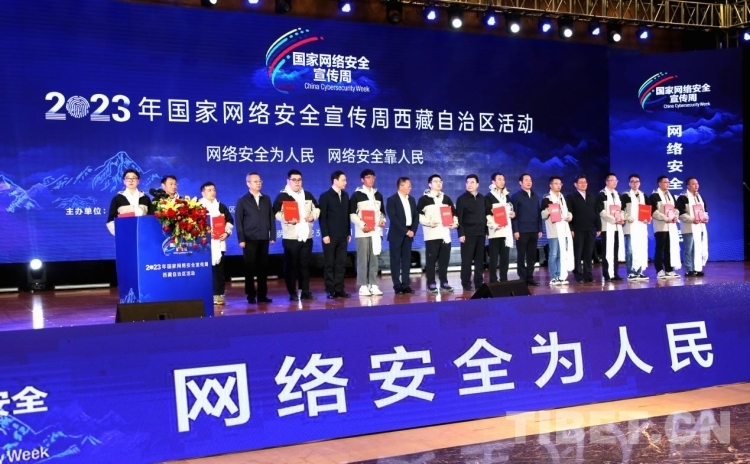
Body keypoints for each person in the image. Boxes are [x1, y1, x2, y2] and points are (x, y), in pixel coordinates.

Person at [274, 169, 320, 301]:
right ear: (288, 181)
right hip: (291, 237)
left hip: (307, 236)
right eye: (294, 180)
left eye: (299, 180)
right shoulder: (282, 196)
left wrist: (313, 216)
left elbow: (317, 208)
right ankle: (292, 293)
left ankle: (305, 291)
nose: (297, 182)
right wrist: (287, 219)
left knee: (305, 265)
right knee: (291, 266)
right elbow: (276, 213)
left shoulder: (308, 195)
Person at [235, 172, 275, 304]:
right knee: (250, 268)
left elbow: (271, 218)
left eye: (260, 181)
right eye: (255, 181)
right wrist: (241, 239)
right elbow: (239, 221)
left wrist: (272, 235)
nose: (259, 183)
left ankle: (262, 295)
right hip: (249, 239)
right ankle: (251, 295)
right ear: (248, 184)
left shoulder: (266, 199)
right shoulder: (242, 200)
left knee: (263, 268)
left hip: (263, 238)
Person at [417, 174, 458, 293]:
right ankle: (431, 283)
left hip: (445, 235)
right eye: (435, 181)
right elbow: (418, 215)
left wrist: (455, 223)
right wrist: (428, 222)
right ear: (430, 184)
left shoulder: (446, 198)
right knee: (431, 261)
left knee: (444, 261)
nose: (439, 183)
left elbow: (454, 214)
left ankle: (444, 282)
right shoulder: (424, 199)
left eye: (440, 181)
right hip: (431, 235)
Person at [349, 169, 386, 297]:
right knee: (363, 260)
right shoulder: (356, 195)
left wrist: (382, 221)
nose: (371, 179)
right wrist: (362, 225)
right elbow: (352, 214)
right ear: (362, 179)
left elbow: (382, 212)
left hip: (376, 232)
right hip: (363, 232)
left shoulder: (378, 195)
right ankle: (363, 286)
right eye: (368, 177)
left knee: (374, 259)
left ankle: (373, 284)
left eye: (373, 177)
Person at [319, 171, 352, 299]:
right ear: (335, 181)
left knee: (341, 264)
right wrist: (325, 234)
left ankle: (339, 289)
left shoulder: (345, 195)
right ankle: (330, 289)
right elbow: (323, 217)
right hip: (330, 236)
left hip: (343, 235)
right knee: (329, 264)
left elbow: (347, 216)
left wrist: (348, 232)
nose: (345, 183)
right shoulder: (325, 196)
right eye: (343, 180)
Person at [199, 182, 234, 305]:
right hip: (203, 245)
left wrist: (226, 233)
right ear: (203, 193)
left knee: (219, 271)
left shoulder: (221, 206)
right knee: (204, 270)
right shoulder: (197, 206)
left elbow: (230, 221)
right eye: (209, 190)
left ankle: (218, 295)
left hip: (219, 243)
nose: (213, 192)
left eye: (214, 190)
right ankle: (203, 294)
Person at [386, 177, 419, 295]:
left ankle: (406, 285)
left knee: (406, 260)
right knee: (395, 260)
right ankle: (397, 285)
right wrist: (405, 231)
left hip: (409, 234)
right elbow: (393, 218)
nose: (410, 187)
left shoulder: (412, 199)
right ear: (401, 186)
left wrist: (413, 230)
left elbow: (416, 216)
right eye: (408, 185)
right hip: (397, 234)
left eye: (410, 185)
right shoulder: (392, 200)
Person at [566, 174, 601, 283]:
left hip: (590, 229)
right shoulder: (570, 197)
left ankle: (588, 274)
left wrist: (598, 227)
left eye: (585, 182)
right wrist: (571, 228)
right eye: (580, 182)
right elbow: (569, 213)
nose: (583, 184)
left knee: (588, 253)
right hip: (577, 229)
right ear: (575, 184)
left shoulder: (592, 197)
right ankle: (578, 275)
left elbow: (596, 213)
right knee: (577, 253)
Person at [510, 173, 542, 286]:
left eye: (530, 180)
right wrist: (515, 230)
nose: (529, 182)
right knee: (521, 255)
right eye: (526, 180)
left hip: (534, 230)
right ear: (520, 182)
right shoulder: (515, 196)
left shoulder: (535, 195)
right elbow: (513, 215)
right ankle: (522, 278)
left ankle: (530, 277)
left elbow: (538, 213)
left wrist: (540, 229)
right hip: (522, 231)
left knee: (531, 256)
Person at [456, 174, 487, 292]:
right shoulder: (461, 199)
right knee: (467, 260)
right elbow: (459, 218)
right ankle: (466, 283)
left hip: (480, 233)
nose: (469, 184)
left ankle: (479, 282)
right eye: (467, 182)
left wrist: (486, 231)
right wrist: (461, 233)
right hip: (468, 234)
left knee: (479, 260)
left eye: (472, 182)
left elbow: (485, 216)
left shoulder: (482, 198)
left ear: (477, 184)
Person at [541, 176, 573, 285]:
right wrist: (549, 210)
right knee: (553, 254)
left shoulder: (563, 198)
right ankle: (554, 276)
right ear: (550, 185)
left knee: (561, 254)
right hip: (554, 231)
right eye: (556, 183)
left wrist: (570, 216)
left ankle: (560, 276)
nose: (558, 186)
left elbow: (568, 212)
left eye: (560, 184)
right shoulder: (547, 198)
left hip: (564, 230)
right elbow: (542, 215)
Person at [649, 175, 681, 279]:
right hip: (660, 227)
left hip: (671, 226)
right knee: (660, 248)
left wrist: (675, 216)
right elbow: (653, 212)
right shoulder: (654, 196)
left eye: (668, 182)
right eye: (665, 182)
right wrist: (666, 218)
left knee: (669, 248)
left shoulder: (671, 196)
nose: (667, 184)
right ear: (659, 183)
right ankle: (659, 270)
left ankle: (669, 269)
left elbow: (676, 209)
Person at [676, 177, 709, 277]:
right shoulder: (683, 198)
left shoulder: (699, 197)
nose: (696, 186)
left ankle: (697, 268)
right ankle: (689, 269)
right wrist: (692, 220)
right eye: (693, 184)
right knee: (689, 249)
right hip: (689, 228)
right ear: (688, 186)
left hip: (700, 227)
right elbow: (681, 213)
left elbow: (704, 211)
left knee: (698, 248)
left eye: (697, 184)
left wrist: (705, 218)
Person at [485, 173, 514, 283]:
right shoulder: (489, 197)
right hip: (495, 231)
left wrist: (512, 214)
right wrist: (495, 225)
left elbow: (510, 209)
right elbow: (487, 214)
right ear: (493, 182)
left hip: (506, 231)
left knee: (505, 258)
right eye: (499, 179)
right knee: (494, 257)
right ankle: (493, 280)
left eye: (503, 179)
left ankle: (504, 279)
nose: (502, 182)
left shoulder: (506, 196)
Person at [620, 174, 650, 281]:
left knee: (641, 249)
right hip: (630, 227)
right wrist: (627, 217)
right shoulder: (625, 196)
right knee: (630, 250)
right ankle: (631, 272)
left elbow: (648, 210)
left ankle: (639, 272)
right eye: (632, 181)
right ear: (629, 183)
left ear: (640, 183)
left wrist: (648, 218)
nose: (634, 183)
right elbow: (621, 210)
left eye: (637, 181)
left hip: (641, 227)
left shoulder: (643, 195)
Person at [597, 173, 625, 282]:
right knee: (607, 251)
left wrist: (621, 218)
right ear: (607, 182)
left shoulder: (617, 195)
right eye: (612, 180)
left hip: (617, 228)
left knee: (615, 251)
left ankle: (615, 273)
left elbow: (621, 210)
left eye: (616, 181)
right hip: (607, 227)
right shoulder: (602, 194)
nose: (614, 182)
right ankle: (607, 274)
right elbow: (602, 212)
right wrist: (614, 219)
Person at [106, 169, 151, 235]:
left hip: (143, 234)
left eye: (134, 178)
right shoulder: (117, 199)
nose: (131, 180)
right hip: (124, 234)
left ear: (138, 181)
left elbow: (151, 219)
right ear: (124, 181)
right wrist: (120, 234)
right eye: (128, 178)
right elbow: (110, 221)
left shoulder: (145, 198)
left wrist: (147, 233)